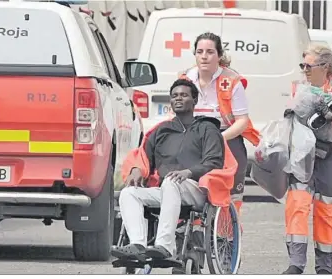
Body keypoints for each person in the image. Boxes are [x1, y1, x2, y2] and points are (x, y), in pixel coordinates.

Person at [111, 79, 228, 261]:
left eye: (184, 95)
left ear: (195, 100)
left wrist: (188, 172)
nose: (178, 99)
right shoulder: (161, 131)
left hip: (196, 189)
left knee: (171, 182)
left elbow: (214, 162)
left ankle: (164, 246)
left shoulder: (207, 129)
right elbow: (142, 157)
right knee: (129, 193)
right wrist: (136, 169)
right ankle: (138, 245)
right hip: (166, 189)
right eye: (174, 96)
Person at [282, 43, 332, 275]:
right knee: (297, 204)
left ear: (325, 67)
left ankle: (324, 266)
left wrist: (328, 115)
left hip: (330, 156)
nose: (304, 69)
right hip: (302, 154)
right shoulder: (298, 88)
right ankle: (296, 263)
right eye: (302, 65)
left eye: (309, 65)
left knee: (327, 208)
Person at [178, 32, 260, 219]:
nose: (204, 56)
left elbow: (242, 120)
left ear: (219, 55)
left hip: (226, 137)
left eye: (210, 52)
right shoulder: (186, 79)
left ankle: (228, 234)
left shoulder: (232, 81)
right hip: (195, 138)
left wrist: (218, 138)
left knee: (230, 193)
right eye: (200, 52)